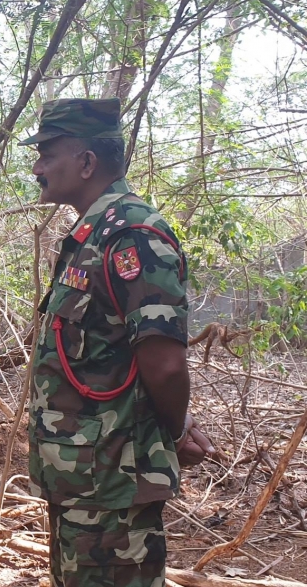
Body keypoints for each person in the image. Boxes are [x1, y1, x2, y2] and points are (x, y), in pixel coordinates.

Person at [22, 97, 216, 587]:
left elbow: (166, 366)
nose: (37, 166)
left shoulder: (133, 235)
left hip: (112, 484)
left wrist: (172, 434)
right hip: (79, 483)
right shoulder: (93, 236)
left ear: (86, 162)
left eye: (47, 154)